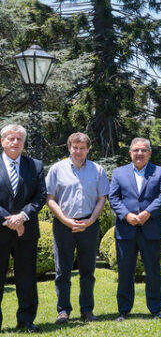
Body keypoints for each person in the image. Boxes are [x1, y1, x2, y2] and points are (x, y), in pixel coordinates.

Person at [45, 132, 108, 324]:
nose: (78, 151)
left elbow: (101, 198)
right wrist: (65, 220)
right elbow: (50, 198)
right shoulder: (57, 169)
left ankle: (87, 310)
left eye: (82, 148)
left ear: (88, 149)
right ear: (69, 148)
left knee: (87, 270)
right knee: (63, 270)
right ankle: (63, 310)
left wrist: (90, 221)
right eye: (75, 147)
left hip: (89, 224)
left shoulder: (98, 170)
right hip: (64, 225)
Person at [108, 137, 161, 320]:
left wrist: (148, 213)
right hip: (126, 229)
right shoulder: (119, 173)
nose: (139, 153)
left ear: (149, 153)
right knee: (125, 271)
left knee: (153, 271)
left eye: (143, 150)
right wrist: (127, 215)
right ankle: (124, 310)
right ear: (130, 153)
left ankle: (155, 309)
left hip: (150, 228)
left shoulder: (160, 172)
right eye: (136, 150)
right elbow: (114, 198)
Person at [0, 124, 46, 332]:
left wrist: (22, 217)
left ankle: (26, 320)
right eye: (10, 138)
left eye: (19, 139)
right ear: (2, 141)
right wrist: (8, 220)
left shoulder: (35, 166)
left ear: (23, 142)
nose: (15, 142)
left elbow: (40, 196)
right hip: (1, 230)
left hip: (27, 232)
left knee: (26, 278)